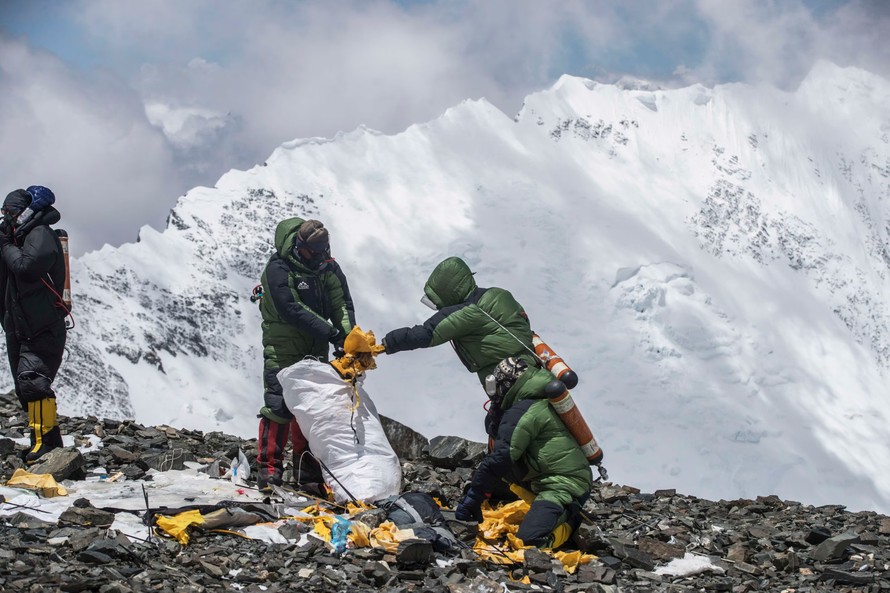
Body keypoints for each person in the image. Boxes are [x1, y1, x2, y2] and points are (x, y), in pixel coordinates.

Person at [255, 218, 355, 491]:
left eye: (323, 250)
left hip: (315, 347)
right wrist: (332, 333)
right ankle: (268, 470)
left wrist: (348, 337)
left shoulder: (327, 267)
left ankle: (308, 474)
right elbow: (292, 309)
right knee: (278, 404)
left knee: (312, 408)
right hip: (283, 346)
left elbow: (341, 304)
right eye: (314, 252)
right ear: (300, 246)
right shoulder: (278, 269)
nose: (319, 256)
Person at [455, 356, 593, 549]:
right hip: (541, 477)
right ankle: (544, 510)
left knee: (530, 541)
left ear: (506, 385)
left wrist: (474, 498)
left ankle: (573, 521)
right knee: (486, 485)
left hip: (565, 484)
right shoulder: (530, 403)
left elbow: (500, 458)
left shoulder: (523, 411)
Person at [381, 256, 539, 386]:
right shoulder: (499, 294)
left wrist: (384, 345)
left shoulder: (469, 311)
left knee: (514, 416)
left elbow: (426, 333)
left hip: (514, 381)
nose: (438, 307)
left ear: (448, 292)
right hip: (532, 369)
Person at [0, 187, 69, 463]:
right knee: (25, 387)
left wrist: (5, 245)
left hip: (43, 326)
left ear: (26, 212)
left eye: (10, 212)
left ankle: (45, 446)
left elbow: (27, 268)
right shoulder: (18, 239)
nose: (5, 217)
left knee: (33, 381)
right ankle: (47, 444)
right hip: (20, 327)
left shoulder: (40, 234)